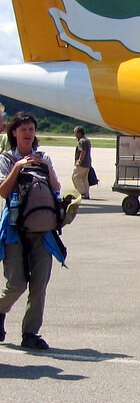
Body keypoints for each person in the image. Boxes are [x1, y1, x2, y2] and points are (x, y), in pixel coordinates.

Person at [0, 112, 66, 350]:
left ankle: (30, 333)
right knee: (16, 283)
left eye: (31, 129)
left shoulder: (43, 156)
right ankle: (0, 310)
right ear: (14, 132)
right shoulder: (7, 158)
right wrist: (17, 168)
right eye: (24, 130)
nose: (28, 134)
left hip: (42, 229)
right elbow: (3, 192)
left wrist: (46, 167)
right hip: (15, 229)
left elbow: (57, 187)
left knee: (39, 285)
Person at [71, 125, 92, 198]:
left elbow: (83, 152)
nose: (74, 134)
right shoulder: (87, 140)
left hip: (82, 163)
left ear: (79, 133)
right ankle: (86, 194)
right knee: (84, 179)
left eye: (75, 133)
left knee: (75, 177)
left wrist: (79, 161)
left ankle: (82, 192)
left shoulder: (81, 141)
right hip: (88, 163)